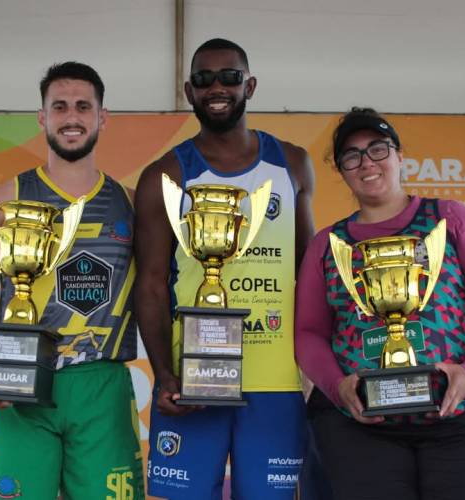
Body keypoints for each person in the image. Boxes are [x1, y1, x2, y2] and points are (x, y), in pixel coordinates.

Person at [295, 107, 465, 500]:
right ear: (342, 170)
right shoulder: (328, 245)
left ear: (400, 156)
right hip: (362, 425)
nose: (367, 163)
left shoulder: (448, 219)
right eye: (352, 155)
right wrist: (336, 387)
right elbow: (309, 332)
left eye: (378, 149)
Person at [135, 38, 315, 499]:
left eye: (230, 77)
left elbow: (309, 273)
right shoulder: (165, 175)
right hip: (195, 380)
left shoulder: (291, 164)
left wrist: (317, 369)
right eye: (204, 79)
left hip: (276, 380)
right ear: (189, 91)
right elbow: (152, 285)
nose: (218, 87)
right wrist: (164, 376)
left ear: (249, 86)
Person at [0, 62, 143, 500]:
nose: (72, 116)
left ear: (103, 117)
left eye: (83, 106)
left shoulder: (133, 205)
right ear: (42, 118)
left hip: (103, 385)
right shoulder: (1, 201)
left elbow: (157, 294)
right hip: (21, 383)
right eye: (59, 107)